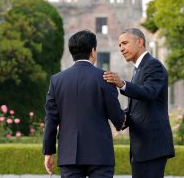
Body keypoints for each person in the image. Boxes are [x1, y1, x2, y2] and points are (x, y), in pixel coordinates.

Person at [42, 29, 125, 178]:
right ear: (93, 51)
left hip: (69, 155)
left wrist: (48, 151)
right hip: (100, 154)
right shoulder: (106, 78)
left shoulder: (57, 80)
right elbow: (118, 119)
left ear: (72, 52)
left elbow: (51, 120)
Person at [103, 28, 175, 178]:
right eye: (119, 45)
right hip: (142, 147)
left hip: (153, 146)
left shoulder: (153, 65)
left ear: (139, 42)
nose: (121, 49)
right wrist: (120, 118)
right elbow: (137, 108)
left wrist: (122, 84)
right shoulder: (139, 69)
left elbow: (149, 93)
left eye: (124, 43)